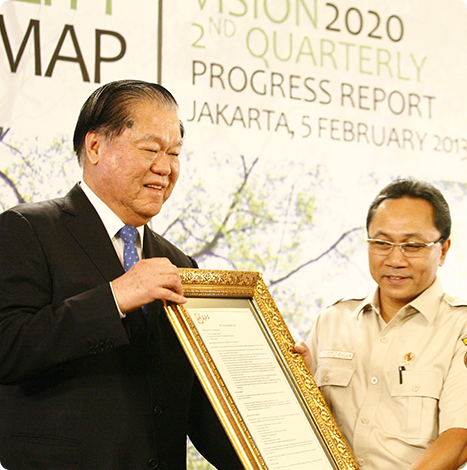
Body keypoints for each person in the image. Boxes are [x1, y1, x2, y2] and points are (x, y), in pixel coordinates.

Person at [0, 80, 243, 470]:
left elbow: (196, 407)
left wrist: (285, 392)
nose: (165, 167)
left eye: (175, 153)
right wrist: (113, 299)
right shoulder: (26, 229)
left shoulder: (179, 263)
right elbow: (8, 347)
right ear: (95, 147)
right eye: (150, 149)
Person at [296, 179, 467, 470]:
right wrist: (297, 387)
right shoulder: (332, 320)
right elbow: (305, 426)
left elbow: (459, 439)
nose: (395, 259)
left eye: (413, 246)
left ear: (444, 250)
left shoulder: (460, 328)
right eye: (382, 243)